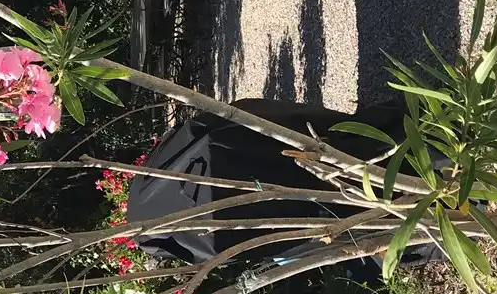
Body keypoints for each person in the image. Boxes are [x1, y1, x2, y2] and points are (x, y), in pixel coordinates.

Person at [125, 98, 403, 266]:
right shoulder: (147, 187)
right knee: (336, 143)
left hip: (283, 200)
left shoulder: (171, 235)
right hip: (242, 148)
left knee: (342, 189)